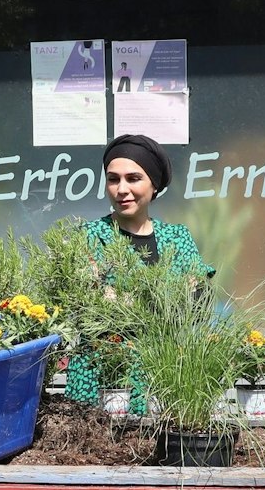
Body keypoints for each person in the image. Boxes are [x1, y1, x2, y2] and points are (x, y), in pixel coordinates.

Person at [63, 133, 213, 403]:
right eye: (113, 179)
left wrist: (121, 297)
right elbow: (88, 307)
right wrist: (167, 298)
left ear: (154, 185)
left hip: (164, 381)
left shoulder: (177, 238)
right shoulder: (88, 237)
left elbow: (199, 305)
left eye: (133, 178)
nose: (121, 189)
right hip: (100, 381)